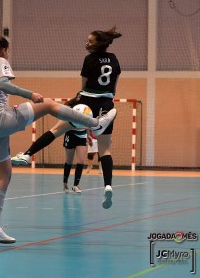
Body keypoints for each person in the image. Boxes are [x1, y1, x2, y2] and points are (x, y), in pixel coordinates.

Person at [0, 33, 116, 244]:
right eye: (7, 51)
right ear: (3, 50)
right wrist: (29, 94)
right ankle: (95, 123)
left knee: (4, 175)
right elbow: (3, 84)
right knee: (48, 104)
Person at [12, 26, 122, 210]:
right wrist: (107, 100)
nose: (86, 43)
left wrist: (74, 101)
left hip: (86, 103)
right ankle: (108, 185)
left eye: (90, 41)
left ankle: (27, 154)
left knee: (56, 130)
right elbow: (114, 87)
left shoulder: (89, 60)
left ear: (99, 44)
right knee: (105, 149)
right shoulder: (114, 59)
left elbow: (84, 87)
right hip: (107, 105)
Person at [61, 98, 89, 194]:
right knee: (69, 161)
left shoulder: (87, 109)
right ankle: (65, 182)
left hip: (82, 135)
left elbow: (89, 122)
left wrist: (88, 136)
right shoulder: (71, 108)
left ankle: (76, 185)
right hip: (70, 134)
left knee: (81, 161)